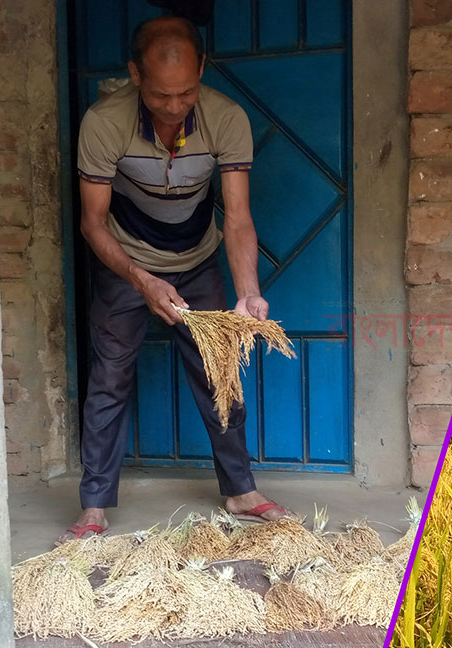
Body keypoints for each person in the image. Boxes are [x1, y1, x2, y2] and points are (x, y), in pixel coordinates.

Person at [58, 17, 291, 544]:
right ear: (135, 73)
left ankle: (241, 491)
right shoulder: (103, 122)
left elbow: (237, 217)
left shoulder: (226, 118)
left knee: (219, 373)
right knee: (109, 379)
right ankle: (94, 506)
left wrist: (248, 290)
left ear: (203, 70)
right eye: (162, 95)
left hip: (197, 259)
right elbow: (92, 222)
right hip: (126, 263)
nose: (175, 105)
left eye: (187, 92)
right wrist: (141, 281)